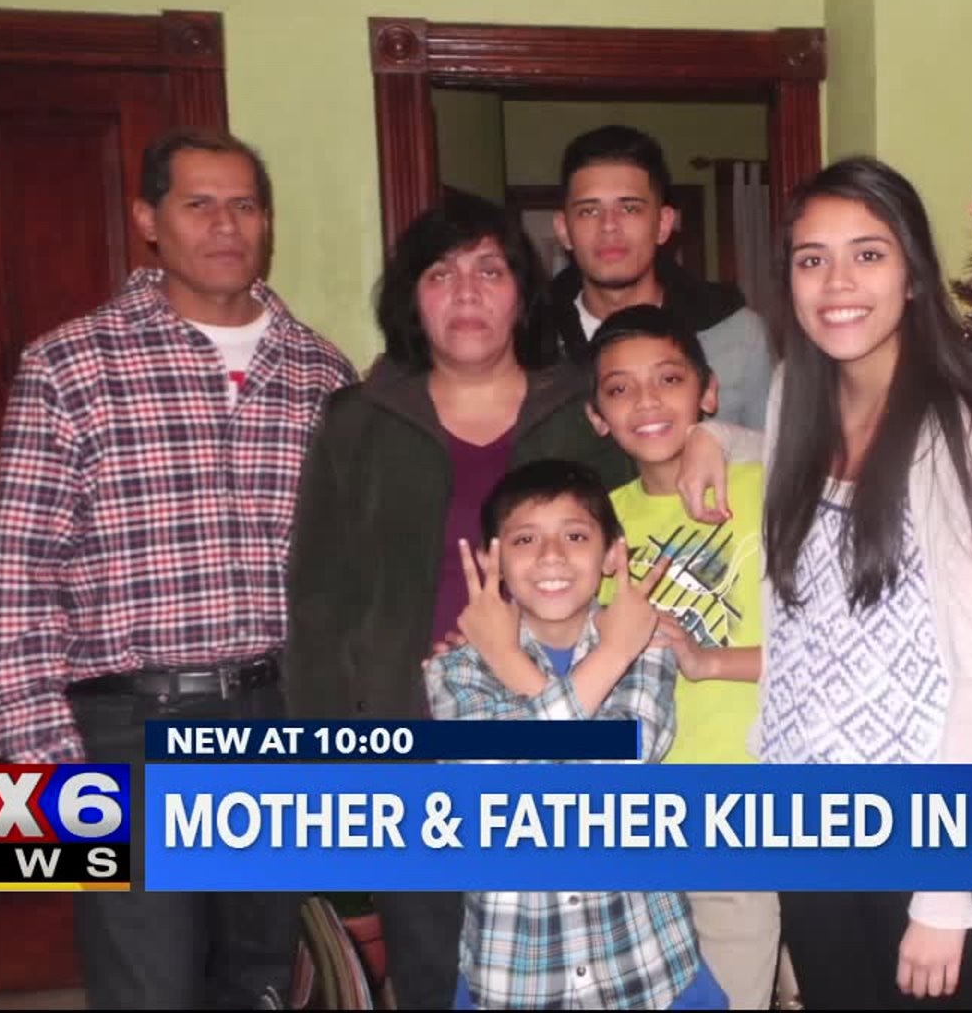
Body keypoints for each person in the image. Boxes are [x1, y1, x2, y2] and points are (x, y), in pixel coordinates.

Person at [0, 127, 357, 1009]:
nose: (226, 225)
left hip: (279, 719)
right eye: (199, 204)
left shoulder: (321, 371)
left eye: (245, 205)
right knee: (151, 987)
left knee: (272, 980)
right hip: (130, 732)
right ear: (148, 219)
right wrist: (59, 776)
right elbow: (20, 579)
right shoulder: (72, 364)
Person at [280, 192, 632, 1007]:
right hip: (410, 748)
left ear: (523, 293)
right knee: (435, 969)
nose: (466, 292)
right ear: (412, 299)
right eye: (440, 274)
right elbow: (319, 606)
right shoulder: (357, 422)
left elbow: (643, 524)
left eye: (489, 270)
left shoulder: (585, 410)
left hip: (563, 731)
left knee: (576, 969)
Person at [745, 156, 972, 1008]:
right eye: (812, 259)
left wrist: (944, 894)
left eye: (868, 255)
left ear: (912, 275)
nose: (837, 283)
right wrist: (700, 440)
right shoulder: (793, 397)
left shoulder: (962, 436)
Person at [426, 459, 730, 1010]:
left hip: (648, 971)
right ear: (494, 561)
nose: (551, 555)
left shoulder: (647, 644)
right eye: (525, 538)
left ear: (613, 553)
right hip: (517, 982)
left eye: (575, 535)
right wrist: (609, 654)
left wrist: (514, 661)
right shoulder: (456, 668)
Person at [583, 304, 780, 1009]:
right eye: (620, 389)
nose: (646, 401)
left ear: (709, 391)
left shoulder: (768, 485)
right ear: (597, 417)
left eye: (668, 379)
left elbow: (831, 651)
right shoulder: (593, 526)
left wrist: (708, 661)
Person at [536, 124, 775, 430]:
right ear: (563, 230)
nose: (609, 226)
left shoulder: (737, 335)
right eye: (589, 211)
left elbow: (774, 452)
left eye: (629, 209)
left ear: (663, 224)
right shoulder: (530, 340)